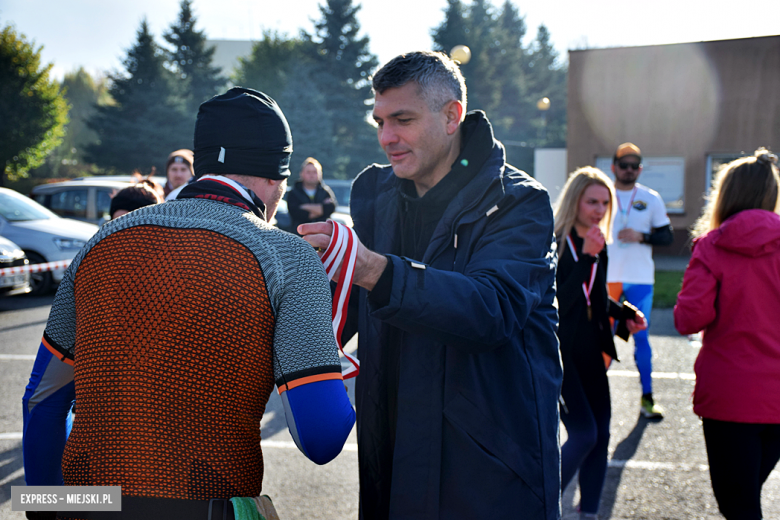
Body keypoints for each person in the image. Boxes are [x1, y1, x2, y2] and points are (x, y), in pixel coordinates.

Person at [22, 87, 355, 519]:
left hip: (89, 508)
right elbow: (323, 438)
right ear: (276, 176)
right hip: (205, 509)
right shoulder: (287, 256)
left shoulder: (100, 243)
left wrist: (47, 509)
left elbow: (41, 401)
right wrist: (333, 340)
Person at [299, 51, 561, 520]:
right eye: (379, 121)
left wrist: (372, 269)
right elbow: (345, 310)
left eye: (402, 120)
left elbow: (492, 311)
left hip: (487, 477)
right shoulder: (376, 193)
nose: (386, 138)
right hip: (391, 461)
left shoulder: (518, 202)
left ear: (451, 116)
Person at [674, 148, 780, 520]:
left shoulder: (713, 246)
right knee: (746, 499)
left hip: (729, 397)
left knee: (738, 506)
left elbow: (689, 319)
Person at [554, 167, 647, 519]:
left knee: (602, 435)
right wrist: (590, 255)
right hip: (561, 355)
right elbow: (560, 300)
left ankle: (589, 513)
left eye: (605, 203)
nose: (599, 209)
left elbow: (593, 298)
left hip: (592, 353)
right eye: (591, 201)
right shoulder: (556, 240)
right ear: (575, 199)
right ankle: (539, 502)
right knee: (583, 434)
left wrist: (624, 314)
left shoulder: (596, 241)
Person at [606, 142, 673, 419]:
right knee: (601, 338)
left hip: (639, 279)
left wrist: (642, 236)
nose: (629, 170)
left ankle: (647, 398)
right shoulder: (602, 193)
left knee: (641, 338)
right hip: (608, 279)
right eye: (624, 165)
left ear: (640, 169)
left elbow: (667, 237)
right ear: (614, 167)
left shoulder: (651, 198)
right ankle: (589, 395)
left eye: (635, 166)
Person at [285, 157, 337, 232]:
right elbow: (296, 213)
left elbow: (330, 208)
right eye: (308, 172)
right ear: (302, 174)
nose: (311, 175)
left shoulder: (325, 191)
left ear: (320, 174)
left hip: (322, 234)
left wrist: (304, 206)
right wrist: (320, 209)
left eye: (315, 172)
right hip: (300, 235)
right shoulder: (294, 193)